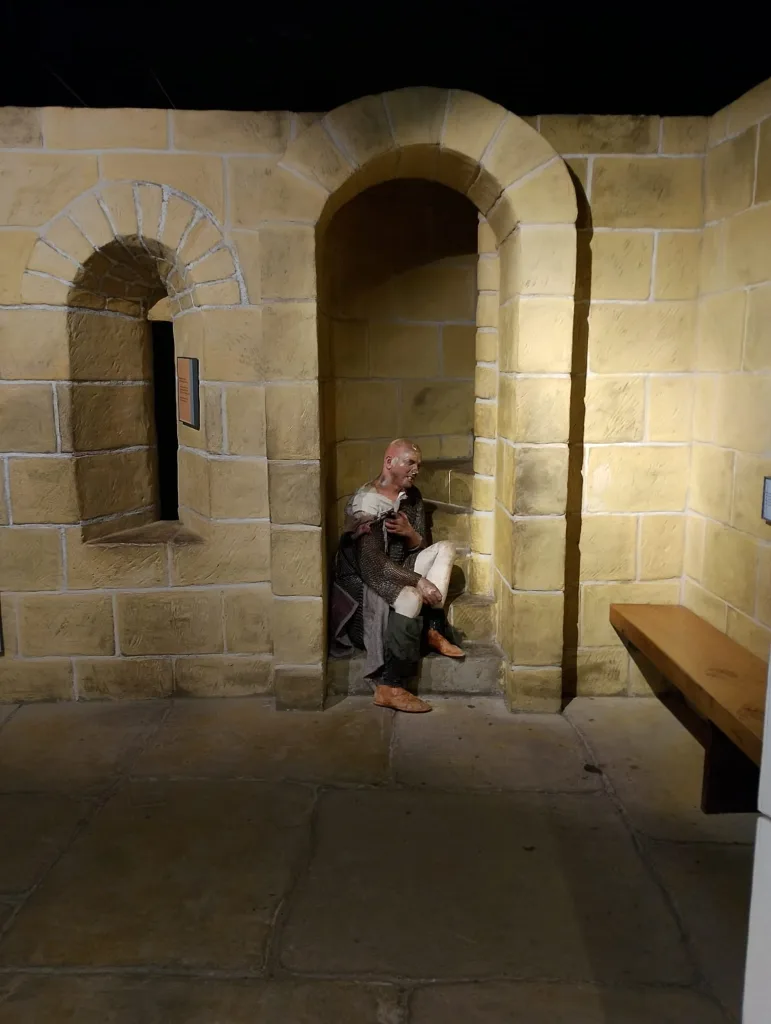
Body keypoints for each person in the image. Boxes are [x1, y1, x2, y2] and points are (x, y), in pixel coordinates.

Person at [330, 438, 463, 713]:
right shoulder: (366, 504)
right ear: (390, 462)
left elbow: (420, 547)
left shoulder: (411, 496)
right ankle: (390, 685)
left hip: (398, 567)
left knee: (445, 550)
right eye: (410, 463)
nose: (416, 470)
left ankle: (430, 629)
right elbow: (372, 565)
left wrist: (410, 534)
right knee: (412, 597)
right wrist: (417, 580)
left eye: (418, 464)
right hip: (365, 582)